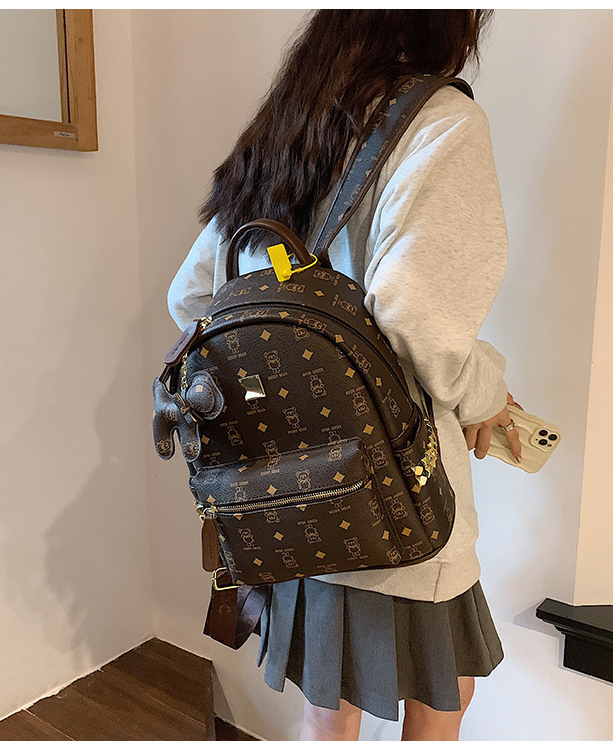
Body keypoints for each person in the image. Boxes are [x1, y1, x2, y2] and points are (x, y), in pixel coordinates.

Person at [167, 9, 522, 741]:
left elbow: (194, 298)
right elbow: (420, 324)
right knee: (441, 700)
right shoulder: (439, 124)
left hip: (286, 495)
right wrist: (486, 393)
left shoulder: (290, 128)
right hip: (395, 498)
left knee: (328, 714)